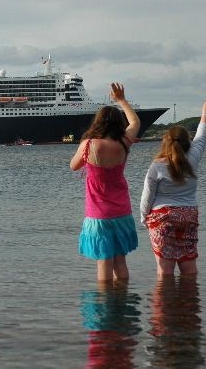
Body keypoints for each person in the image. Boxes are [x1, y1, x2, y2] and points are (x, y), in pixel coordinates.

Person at [70, 83, 141, 282]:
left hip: (98, 213)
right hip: (122, 210)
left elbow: (73, 166)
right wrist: (121, 100)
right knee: (120, 261)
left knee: (104, 260)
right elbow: (135, 122)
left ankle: (105, 307)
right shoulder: (123, 143)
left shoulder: (89, 145)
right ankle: (123, 303)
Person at [140, 98, 206, 276]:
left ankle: (165, 303)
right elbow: (201, 135)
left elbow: (147, 197)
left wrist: (144, 218)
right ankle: (189, 301)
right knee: (189, 268)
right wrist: (205, 113)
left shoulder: (156, 166)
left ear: (165, 142)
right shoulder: (193, 158)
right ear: (186, 143)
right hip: (188, 214)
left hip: (162, 218)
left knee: (164, 271)